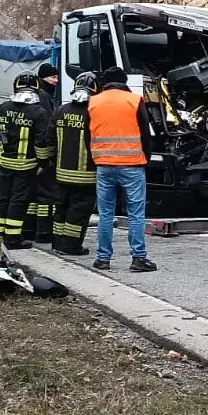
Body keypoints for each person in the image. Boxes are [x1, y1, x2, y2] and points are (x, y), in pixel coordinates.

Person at [88, 65, 156, 272]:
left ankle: (103, 259)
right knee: (135, 214)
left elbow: (87, 135)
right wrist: (147, 158)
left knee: (106, 214)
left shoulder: (93, 102)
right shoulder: (134, 100)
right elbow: (146, 133)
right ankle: (138, 259)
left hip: (104, 166)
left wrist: (96, 160)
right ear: (124, 81)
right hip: (132, 166)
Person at [0, 72, 46, 249]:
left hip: (5, 163)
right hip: (26, 166)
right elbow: (41, 142)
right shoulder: (39, 112)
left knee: (3, 198)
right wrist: (43, 163)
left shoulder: (3, 108)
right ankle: (13, 239)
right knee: (18, 201)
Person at [51, 72, 98, 254]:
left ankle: (57, 243)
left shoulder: (60, 110)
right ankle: (71, 246)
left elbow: (49, 139)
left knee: (61, 207)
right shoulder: (93, 113)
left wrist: (48, 163)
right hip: (85, 175)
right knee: (78, 213)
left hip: (61, 173)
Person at [27, 64, 61, 243]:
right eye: (52, 77)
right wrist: (46, 158)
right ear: (43, 78)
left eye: (56, 77)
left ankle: (30, 230)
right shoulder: (43, 97)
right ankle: (44, 233)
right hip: (41, 153)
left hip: (33, 153)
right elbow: (47, 128)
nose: (55, 81)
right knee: (47, 195)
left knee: (34, 194)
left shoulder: (40, 95)